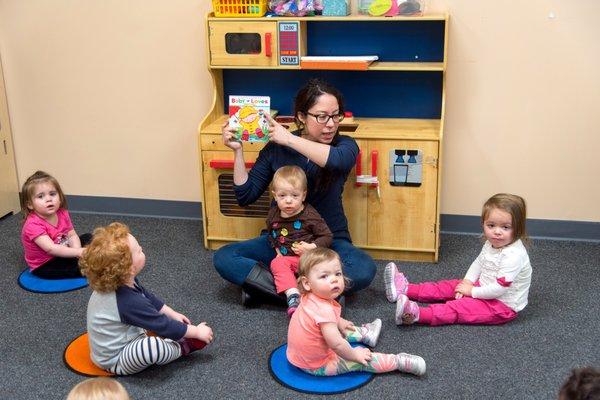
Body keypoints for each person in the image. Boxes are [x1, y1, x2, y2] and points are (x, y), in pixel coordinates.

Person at [214, 78, 376, 305]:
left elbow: (336, 161)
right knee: (224, 258)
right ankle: (320, 293)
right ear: (301, 117)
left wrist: (289, 139)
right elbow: (245, 196)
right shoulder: (275, 149)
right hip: (279, 242)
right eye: (321, 116)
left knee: (363, 269)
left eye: (335, 115)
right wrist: (238, 152)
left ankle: (269, 290)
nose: (330, 124)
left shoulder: (345, 146)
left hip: (327, 241)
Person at [79, 222, 214, 375]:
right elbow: (161, 324)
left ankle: (174, 335)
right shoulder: (127, 301)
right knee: (151, 347)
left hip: (123, 337)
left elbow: (147, 297)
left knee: (153, 322)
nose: (142, 250)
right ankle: (182, 347)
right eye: (139, 251)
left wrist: (172, 313)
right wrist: (196, 332)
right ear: (129, 268)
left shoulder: (122, 281)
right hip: (116, 359)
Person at [385, 193, 532, 326]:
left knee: (458, 309)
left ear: (518, 229)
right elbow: (479, 263)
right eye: (491, 225)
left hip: (501, 306)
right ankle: (406, 289)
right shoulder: (491, 243)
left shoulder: (514, 256)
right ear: (483, 224)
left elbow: (498, 290)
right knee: (449, 286)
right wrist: (467, 282)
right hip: (483, 286)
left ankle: (415, 315)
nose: (497, 232)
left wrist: (471, 291)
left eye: (505, 227)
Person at [287, 248, 426, 376]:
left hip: (300, 356)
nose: (334, 279)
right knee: (361, 361)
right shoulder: (324, 309)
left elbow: (317, 320)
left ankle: (366, 334)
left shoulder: (309, 296)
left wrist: (339, 322)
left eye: (338, 273)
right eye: (324, 276)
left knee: (341, 328)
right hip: (316, 365)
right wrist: (355, 355)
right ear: (307, 283)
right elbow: (337, 344)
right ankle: (398, 362)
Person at [267, 165, 333, 316]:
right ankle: (293, 295)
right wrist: (277, 250)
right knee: (276, 263)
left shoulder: (309, 214)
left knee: (327, 267)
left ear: (303, 195)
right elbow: (271, 234)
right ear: (275, 195)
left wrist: (311, 247)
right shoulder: (272, 215)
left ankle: (320, 295)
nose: (288, 201)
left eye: (294, 196)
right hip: (288, 260)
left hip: (309, 260)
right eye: (282, 196)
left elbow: (327, 236)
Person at [20, 170, 91, 279]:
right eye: (40, 196)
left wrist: (77, 253)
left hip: (64, 249)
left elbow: (72, 235)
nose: (49, 199)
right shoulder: (32, 224)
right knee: (80, 269)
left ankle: (95, 257)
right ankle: (100, 265)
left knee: (89, 237)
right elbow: (51, 249)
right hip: (46, 263)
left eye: (52, 194)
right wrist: (77, 252)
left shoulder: (62, 213)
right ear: (30, 204)